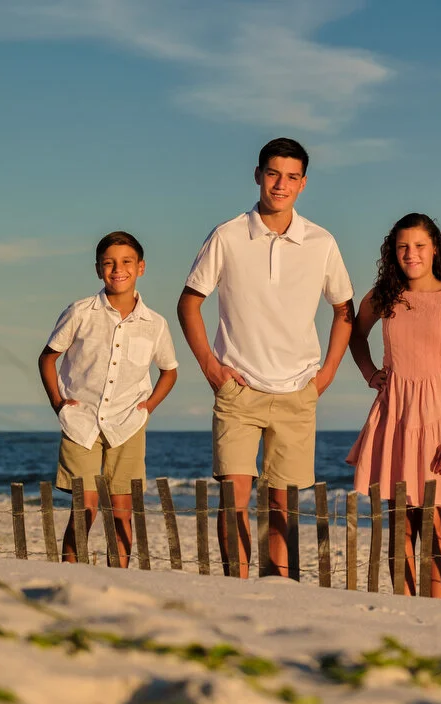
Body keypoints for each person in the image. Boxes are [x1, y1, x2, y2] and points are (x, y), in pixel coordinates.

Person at [177, 137, 354, 579]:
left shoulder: (321, 241)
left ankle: (282, 591)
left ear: (303, 183)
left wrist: (327, 372)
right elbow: (189, 302)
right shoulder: (228, 234)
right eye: (273, 173)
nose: (281, 184)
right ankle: (236, 587)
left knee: (283, 504)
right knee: (234, 497)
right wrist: (211, 367)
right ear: (258, 175)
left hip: (298, 391)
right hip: (238, 389)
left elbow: (344, 309)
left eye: (291, 176)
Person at [347, 213, 441, 598]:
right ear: (393, 252)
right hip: (397, 414)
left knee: (439, 523)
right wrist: (368, 372)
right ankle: (406, 608)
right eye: (403, 247)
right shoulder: (384, 297)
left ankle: (440, 610)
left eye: (419, 246)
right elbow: (355, 335)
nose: (411, 254)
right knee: (400, 524)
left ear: (435, 249)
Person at [38, 230, 179, 567]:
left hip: (128, 425)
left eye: (127, 262)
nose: (118, 269)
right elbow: (47, 358)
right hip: (81, 423)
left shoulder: (155, 324)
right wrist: (59, 403)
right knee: (83, 508)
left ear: (141, 267)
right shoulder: (80, 312)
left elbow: (169, 370)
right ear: (98, 269)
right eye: (109, 263)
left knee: (122, 511)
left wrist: (149, 407)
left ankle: (120, 577)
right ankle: (71, 574)